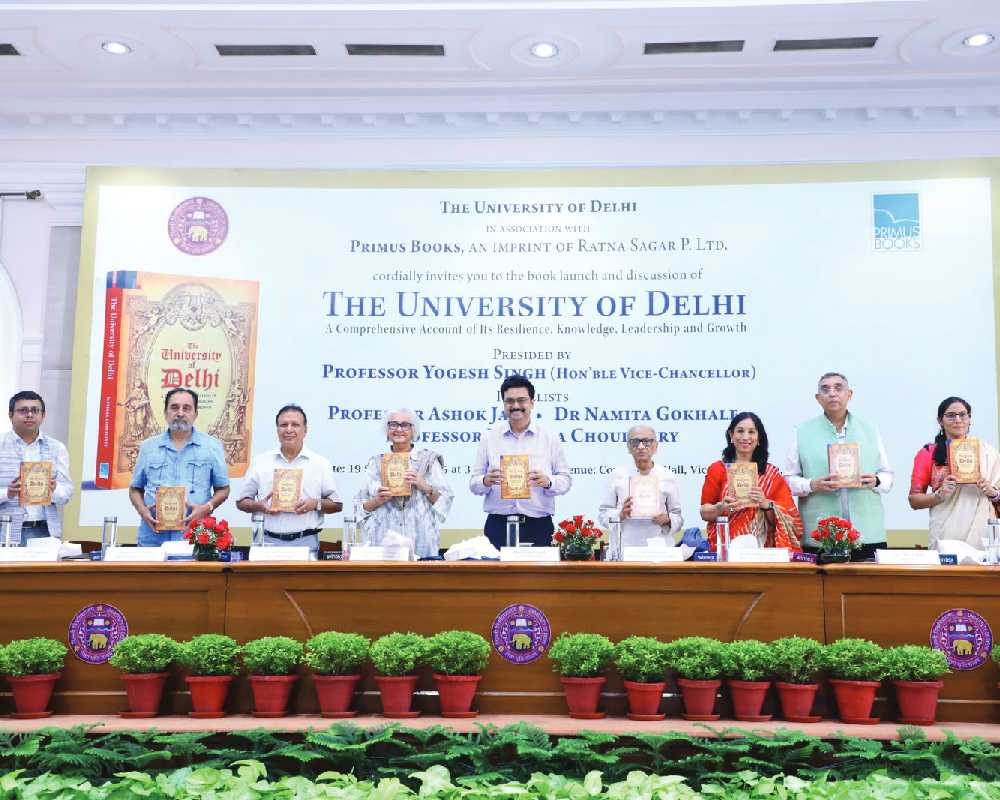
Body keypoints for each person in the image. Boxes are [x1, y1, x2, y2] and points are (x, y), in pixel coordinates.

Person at [783, 372, 892, 559]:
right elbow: (787, 480)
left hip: (867, 533)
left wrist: (876, 480)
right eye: (825, 389)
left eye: (838, 388)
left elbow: (887, 476)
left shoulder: (870, 430)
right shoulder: (801, 432)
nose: (832, 393)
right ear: (818, 398)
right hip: (820, 535)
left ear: (849, 394)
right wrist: (811, 485)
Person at [470, 374, 571, 549]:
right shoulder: (489, 438)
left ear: (532, 403)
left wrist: (548, 482)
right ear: (503, 404)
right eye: (509, 401)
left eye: (521, 400)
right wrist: (485, 481)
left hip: (538, 525)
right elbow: (474, 483)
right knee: (496, 577)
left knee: (538, 578)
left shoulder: (549, 438)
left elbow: (566, 481)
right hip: (498, 525)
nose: (515, 406)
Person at [237, 404, 342, 557]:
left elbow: (337, 505)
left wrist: (315, 503)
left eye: (295, 425)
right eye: (283, 425)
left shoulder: (320, 463)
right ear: (277, 430)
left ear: (305, 430)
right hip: (266, 543)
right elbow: (241, 502)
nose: (289, 429)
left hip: (306, 542)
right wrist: (259, 505)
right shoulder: (260, 462)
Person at [129, 388, 230, 546]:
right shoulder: (148, 447)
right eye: (174, 407)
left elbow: (223, 489)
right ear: (165, 412)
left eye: (187, 408)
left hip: (195, 537)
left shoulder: (212, 447)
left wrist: (207, 508)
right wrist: (142, 511)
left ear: (195, 414)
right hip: (152, 537)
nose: (180, 413)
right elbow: (135, 489)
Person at [355, 408, 453, 558]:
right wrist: (377, 500)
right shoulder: (376, 463)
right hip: (383, 546)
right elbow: (359, 508)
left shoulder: (429, 461)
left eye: (405, 425)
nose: (399, 429)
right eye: (393, 424)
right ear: (387, 430)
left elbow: (445, 501)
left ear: (414, 431)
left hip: (421, 543)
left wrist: (424, 485)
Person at [700, 412, 803, 551]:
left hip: (761, 551)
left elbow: (790, 521)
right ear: (731, 435)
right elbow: (704, 512)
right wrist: (722, 508)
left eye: (751, 432)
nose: (745, 437)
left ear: (759, 437)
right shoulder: (717, 469)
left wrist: (766, 505)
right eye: (740, 431)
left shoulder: (771, 474)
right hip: (725, 548)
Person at [908, 396, 1000, 549]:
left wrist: (993, 493)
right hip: (945, 535)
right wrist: (940, 495)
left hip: (982, 535)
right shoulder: (928, 453)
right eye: (951, 415)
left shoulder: (988, 453)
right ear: (940, 421)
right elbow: (914, 501)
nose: (958, 420)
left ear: (969, 419)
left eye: (963, 414)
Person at [0, 391, 73, 545]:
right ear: (10, 415)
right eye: (23, 410)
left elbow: (66, 494)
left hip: (44, 532)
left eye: (35, 410)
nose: (30, 415)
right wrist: (8, 493)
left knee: (41, 570)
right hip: (5, 531)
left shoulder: (57, 447)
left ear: (43, 415)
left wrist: (54, 489)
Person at [598, 424, 683, 547]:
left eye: (647, 441)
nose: (641, 446)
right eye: (635, 442)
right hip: (625, 547)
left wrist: (668, 520)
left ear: (656, 446)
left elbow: (678, 518)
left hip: (659, 548)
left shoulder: (668, 476)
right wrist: (620, 514)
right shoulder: (616, 475)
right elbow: (603, 515)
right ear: (628, 447)